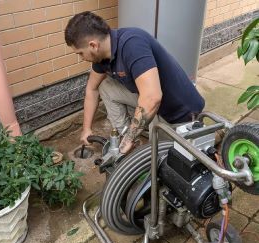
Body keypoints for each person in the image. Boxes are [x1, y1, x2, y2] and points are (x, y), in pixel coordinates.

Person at [64, 11, 205, 154]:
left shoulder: (132, 44)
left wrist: (130, 138)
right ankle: (124, 135)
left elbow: (152, 98)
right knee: (105, 86)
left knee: (161, 161)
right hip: (152, 101)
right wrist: (86, 128)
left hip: (178, 112)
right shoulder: (102, 56)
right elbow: (91, 89)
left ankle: (131, 138)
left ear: (93, 45)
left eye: (80, 53)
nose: (81, 58)